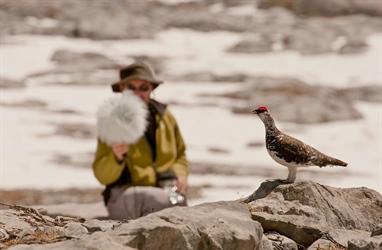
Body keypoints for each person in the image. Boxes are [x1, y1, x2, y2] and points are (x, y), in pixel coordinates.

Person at [92, 62, 189, 220]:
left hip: (166, 190)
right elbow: (101, 175)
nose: (137, 93)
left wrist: (180, 174)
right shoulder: (111, 120)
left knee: (177, 208)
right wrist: (116, 158)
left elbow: (180, 154)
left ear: (151, 89)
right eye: (131, 87)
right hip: (123, 194)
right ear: (122, 89)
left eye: (143, 87)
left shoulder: (165, 117)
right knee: (158, 201)